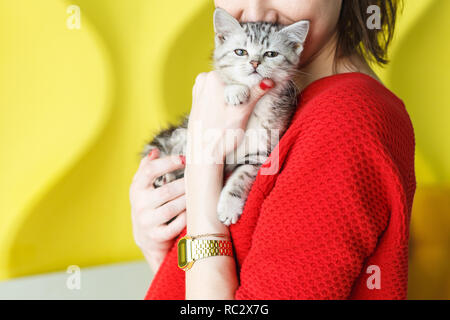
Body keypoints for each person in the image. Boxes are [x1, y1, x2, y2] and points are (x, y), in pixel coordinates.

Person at [129, 0, 416, 299]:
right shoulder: (283, 106)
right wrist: (158, 249)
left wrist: (203, 165)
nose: (254, 11)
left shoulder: (346, 121)